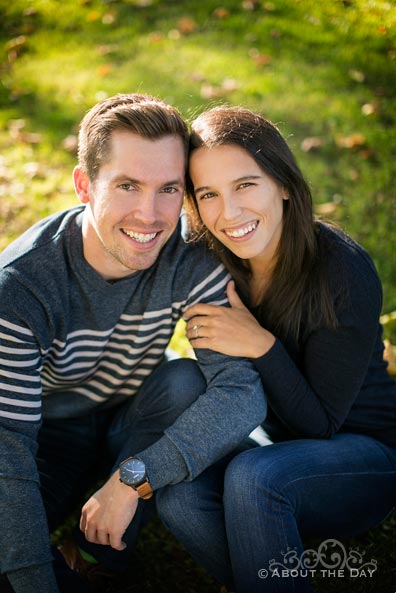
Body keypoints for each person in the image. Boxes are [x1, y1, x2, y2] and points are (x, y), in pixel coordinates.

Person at [0, 95, 267, 593]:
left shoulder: (189, 255)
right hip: (45, 435)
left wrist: (133, 478)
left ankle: (99, 556)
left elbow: (242, 392)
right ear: (84, 184)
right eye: (127, 185)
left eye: (168, 188)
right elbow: (8, 448)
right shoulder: (21, 289)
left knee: (184, 380)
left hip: (137, 422)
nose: (150, 216)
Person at [156, 105, 396, 593]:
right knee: (178, 494)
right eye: (209, 195)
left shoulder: (341, 271)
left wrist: (260, 344)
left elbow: (320, 425)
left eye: (246, 185)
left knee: (253, 476)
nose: (230, 213)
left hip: (360, 457)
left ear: (283, 183)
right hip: (271, 441)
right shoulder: (211, 256)